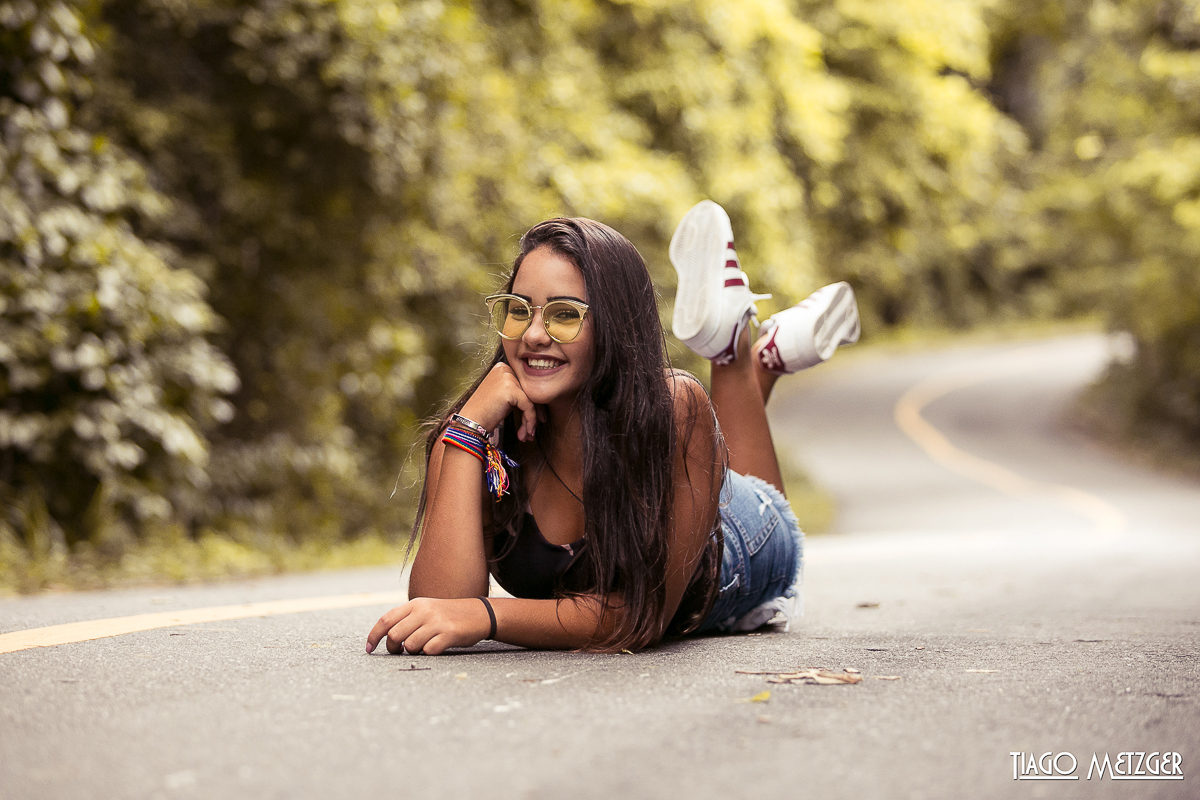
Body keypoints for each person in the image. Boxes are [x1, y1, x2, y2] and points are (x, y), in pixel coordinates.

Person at [365, 201, 859, 655]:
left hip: (741, 543)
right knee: (709, 456)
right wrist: (467, 428)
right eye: (519, 310)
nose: (534, 334)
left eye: (565, 316)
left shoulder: (674, 406)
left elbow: (638, 619)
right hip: (682, 476)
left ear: (615, 326)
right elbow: (435, 610)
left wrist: (488, 616)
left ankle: (739, 356)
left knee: (753, 493)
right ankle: (760, 358)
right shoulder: (476, 431)